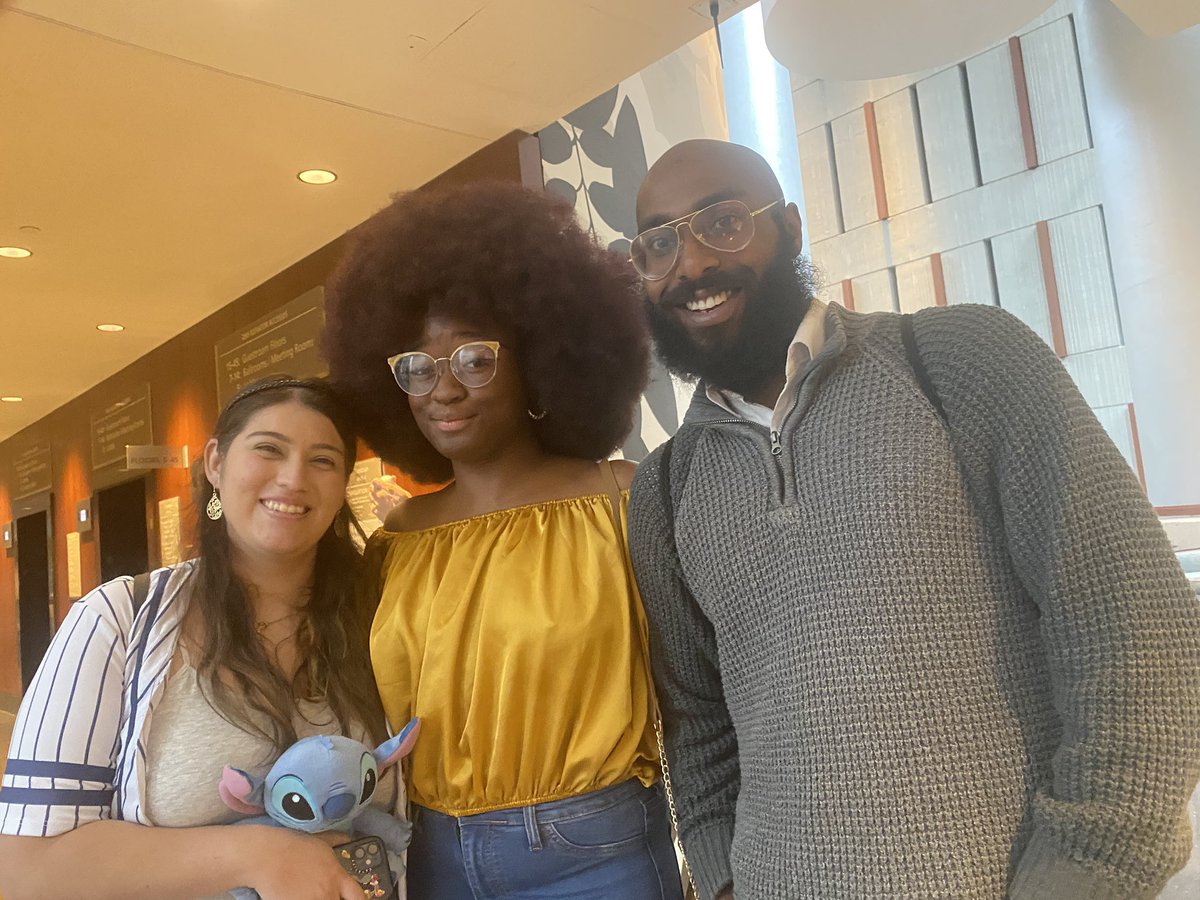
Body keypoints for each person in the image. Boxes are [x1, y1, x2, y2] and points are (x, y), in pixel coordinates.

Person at [624, 139, 1200, 900]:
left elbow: (1130, 626)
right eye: (659, 242)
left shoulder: (960, 362)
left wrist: (1086, 867)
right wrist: (726, 877)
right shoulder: (666, 487)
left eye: (723, 222)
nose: (691, 264)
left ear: (790, 228)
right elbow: (696, 727)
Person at [322, 180, 685, 899]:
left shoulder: (620, 499)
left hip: (598, 858)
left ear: (539, 358)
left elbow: (697, 686)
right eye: (417, 369)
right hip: (433, 859)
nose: (442, 390)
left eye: (474, 359)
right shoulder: (398, 541)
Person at [0, 377, 395, 900]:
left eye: (323, 460)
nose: (293, 478)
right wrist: (257, 854)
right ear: (215, 462)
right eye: (269, 450)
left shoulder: (382, 616)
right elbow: (25, 868)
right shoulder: (116, 620)